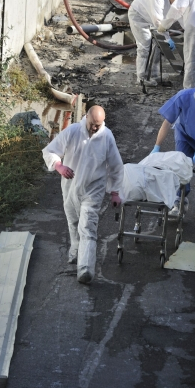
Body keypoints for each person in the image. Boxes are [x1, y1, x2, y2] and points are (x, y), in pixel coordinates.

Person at [42, 105, 124, 285]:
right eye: (93, 124)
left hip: (94, 188)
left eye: (99, 124)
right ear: (86, 117)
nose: (96, 128)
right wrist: (59, 166)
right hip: (70, 186)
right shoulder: (72, 132)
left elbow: (116, 166)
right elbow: (49, 151)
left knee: (87, 225)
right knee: (73, 221)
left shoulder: (106, 136)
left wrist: (115, 192)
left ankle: (86, 267)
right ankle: (75, 251)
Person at [150, 76, 195, 218]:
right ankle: (179, 202)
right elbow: (167, 123)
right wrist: (157, 146)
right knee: (180, 166)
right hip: (184, 134)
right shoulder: (183, 97)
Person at [128, 0, 180, 87]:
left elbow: (167, 21)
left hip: (150, 18)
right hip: (138, 16)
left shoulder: (171, 0)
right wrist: (167, 38)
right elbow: (158, 22)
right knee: (145, 46)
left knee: (157, 45)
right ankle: (142, 77)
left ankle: (155, 74)